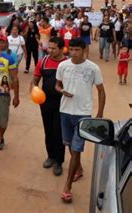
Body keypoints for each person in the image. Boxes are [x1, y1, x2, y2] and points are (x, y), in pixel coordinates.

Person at [55, 38, 106, 203]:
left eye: (77, 50)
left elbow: (101, 91)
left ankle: (67, 187)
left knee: (76, 150)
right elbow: (57, 85)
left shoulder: (93, 68)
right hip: (65, 111)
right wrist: (62, 91)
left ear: (84, 50)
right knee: (69, 145)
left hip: (83, 115)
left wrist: (99, 113)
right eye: (71, 50)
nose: (74, 53)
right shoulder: (63, 66)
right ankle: (79, 168)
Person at [31, 37, 68, 176]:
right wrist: (33, 89)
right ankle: (51, 156)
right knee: (48, 130)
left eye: (53, 48)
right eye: (49, 47)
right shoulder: (44, 61)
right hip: (45, 102)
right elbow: (35, 80)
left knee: (58, 131)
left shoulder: (67, 64)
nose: (50, 50)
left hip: (62, 102)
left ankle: (59, 161)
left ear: (61, 48)